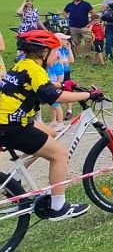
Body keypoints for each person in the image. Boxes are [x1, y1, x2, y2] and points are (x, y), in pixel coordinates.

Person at [0, 30, 104, 220]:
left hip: (10, 121)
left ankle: (14, 180)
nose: (57, 56)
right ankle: (58, 207)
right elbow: (54, 97)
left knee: (51, 133)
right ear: (43, 52)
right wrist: (89, 95)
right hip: (13, 125)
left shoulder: (23, 65)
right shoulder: (35, 69)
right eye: (55, 51)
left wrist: (62, 85)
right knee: (60, 154)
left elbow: (42, 87)